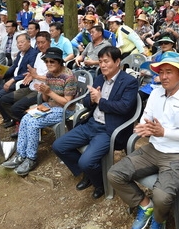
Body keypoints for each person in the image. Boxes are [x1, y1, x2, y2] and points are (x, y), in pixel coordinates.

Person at [107, 52, 179, 229]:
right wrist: (145, 126)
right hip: (154, 149)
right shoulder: (155, 93)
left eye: (169, 72)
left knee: (162, 197)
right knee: (114, 174)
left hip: (178, 154)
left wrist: (164, 132)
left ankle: (159, 220)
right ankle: (145, 205)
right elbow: (147, 116)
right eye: (161, 72)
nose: (164, 76)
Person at [52, 46, 139, 199]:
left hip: (108, 129)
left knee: (86, 161)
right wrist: (92, 100)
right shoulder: (99, 78)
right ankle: (89, 174)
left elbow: (125, 108)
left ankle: (100, 183)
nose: (103, 65)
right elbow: (86, 102)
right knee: (59, 146)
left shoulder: (129, 82)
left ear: (117, 61)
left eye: (106, 61)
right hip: (91, 123)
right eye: (100, 62)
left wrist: (100, 100)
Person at [2, 47, 77, 176]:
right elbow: (45, 99)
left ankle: (31, 158)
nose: (48, 64)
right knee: (26, 118)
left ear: (60, 62)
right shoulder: (49, 75)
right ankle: (21, 155)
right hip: (49, 106)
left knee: (33, 123)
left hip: (64, 110)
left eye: (52, 62)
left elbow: (67, 102)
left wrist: (49, 92)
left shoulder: (68, 77)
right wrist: (44, 92)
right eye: (46, 61)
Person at [0, 33, 38, 127]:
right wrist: (4, 74)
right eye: (18, 43)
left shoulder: (33, 54)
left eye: (22, 42)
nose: (20, 44)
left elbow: (29, 72)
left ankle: (15, 119)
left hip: (21, 82)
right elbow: (14, 67)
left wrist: (13, 79)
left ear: (29, 42)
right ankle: (8, 117)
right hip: (12, 80)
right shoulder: (20, 54)